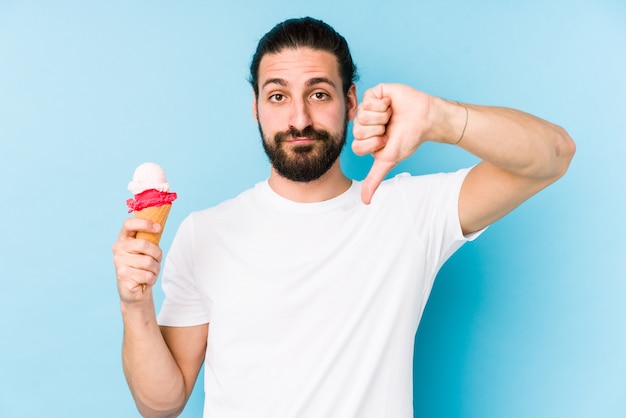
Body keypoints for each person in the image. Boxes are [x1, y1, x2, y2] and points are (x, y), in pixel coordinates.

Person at [112, 16, 575, 418]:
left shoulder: (409, 213)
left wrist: (441, 118)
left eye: (318, 93)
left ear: (350, 102)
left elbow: (553, 155)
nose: (299, 119)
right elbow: (162, 404)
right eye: (277, 97)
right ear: (255, 108)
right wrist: (136, 307)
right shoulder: (204, 233)